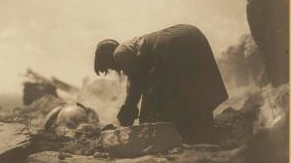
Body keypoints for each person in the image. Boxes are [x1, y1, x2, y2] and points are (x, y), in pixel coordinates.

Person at [94, 24, 228, 143]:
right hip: (192, 35)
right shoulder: (131, 49)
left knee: (155, 110)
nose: (113, 70)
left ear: (107, 57)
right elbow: (138, 82)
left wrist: (127, 115)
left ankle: (189, 136)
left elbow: (137, 86)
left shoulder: (119, 53)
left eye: (108, 67)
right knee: (193, 91)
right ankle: (204, 133)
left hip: (176, 44)